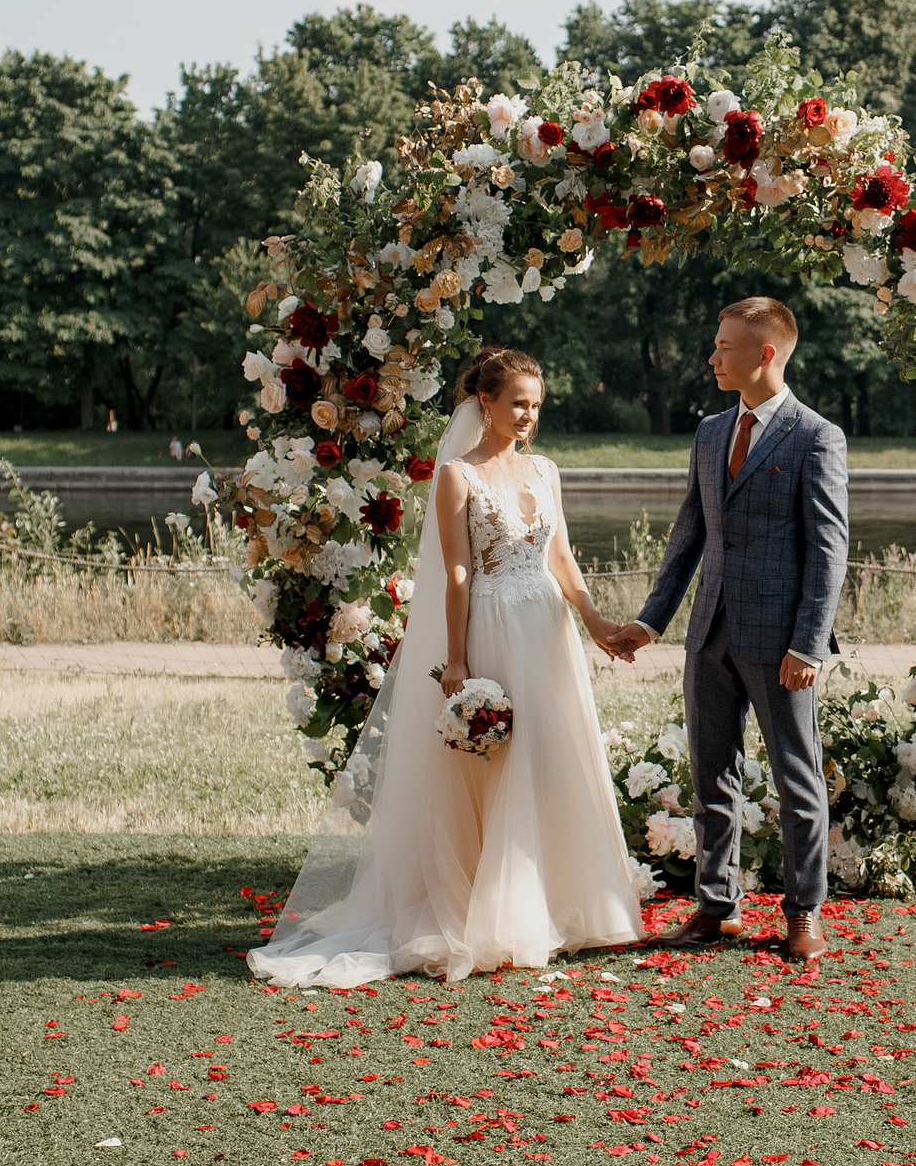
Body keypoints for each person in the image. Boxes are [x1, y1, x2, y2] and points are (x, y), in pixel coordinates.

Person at [249, 348, 644, 985]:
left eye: (536, 406)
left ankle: (555, 905)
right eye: (517, 402)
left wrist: (596, 623)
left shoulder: (545, 471)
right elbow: (457, 574)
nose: (528, 416)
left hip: (547, 629)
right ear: (483, 402)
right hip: (490, 625)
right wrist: (456, 659)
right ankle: (485, 910)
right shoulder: (458, 476)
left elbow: (563, 561)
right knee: (494, 763)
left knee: (549, 757)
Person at [607, 298, 850, 964]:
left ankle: (803, 913)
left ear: (765, 353)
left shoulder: (815, 436)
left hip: (782, 646)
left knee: (797, 778)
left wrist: (808, 643)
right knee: (712, 775)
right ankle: (718, 909)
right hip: (708, 632)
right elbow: (690, 532)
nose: (713, 356)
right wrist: (650, 620)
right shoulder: (711, 432)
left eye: (724, 346)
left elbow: (829, 549)